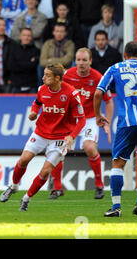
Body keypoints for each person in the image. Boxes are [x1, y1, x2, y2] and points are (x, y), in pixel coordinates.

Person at [0, 63, 86, 211]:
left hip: (60, 138)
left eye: (47, 75)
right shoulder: (42, 89)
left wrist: (72, 136)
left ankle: (26, 198)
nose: (43, 77)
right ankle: (13, 186)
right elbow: (37, 103)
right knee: (23, 159)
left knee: (45, 171)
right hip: (41, 132)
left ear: (57, 78)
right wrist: (34, 112)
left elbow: (82, 119)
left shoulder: (71, 94)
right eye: (44, 74)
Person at [95, 41, 137, 217]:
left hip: (127, 123)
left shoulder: (115, 68)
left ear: (124, 54)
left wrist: (98, 115)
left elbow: (99, 92)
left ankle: (116, 206)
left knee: (118, 163)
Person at [49, 48, 114, 200]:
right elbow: (55, 93)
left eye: (84, 60)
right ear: (75, 61)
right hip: (69, 119)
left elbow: (109, 102)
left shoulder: (98, 77)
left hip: (89, 118)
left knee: (89, 147)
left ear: (90, 61)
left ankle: (99, 185)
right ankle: (57, 188)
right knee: (57, 150)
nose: (81, 63)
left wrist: (108, 123)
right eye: (78, 60)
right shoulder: (67, 75)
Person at [7, 27, 40, 93]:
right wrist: (28, 63)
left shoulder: (36, 50)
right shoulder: (13, 49)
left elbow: (33, 67)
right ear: (20, 36)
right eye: (24, 35)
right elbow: (11, 66)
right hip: (16, 85)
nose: (26, 37)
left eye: (29, 35)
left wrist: (19, 63)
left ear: (32, 37)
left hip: (31, 86)